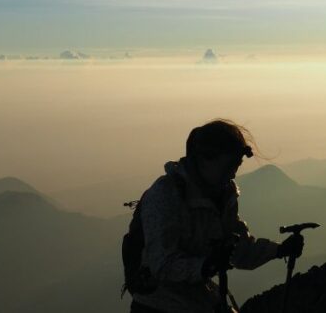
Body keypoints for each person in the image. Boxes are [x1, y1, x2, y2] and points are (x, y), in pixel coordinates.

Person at [127, 120, 304, 313]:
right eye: (229, 165)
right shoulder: (165, 195)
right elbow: (160, 264)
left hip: (197, 300)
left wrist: (278, 250)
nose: (233, 173)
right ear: (204, 159)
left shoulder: (223, 195)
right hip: (157, 305)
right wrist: (205, 266)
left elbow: (238, 250)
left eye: (237, 165)